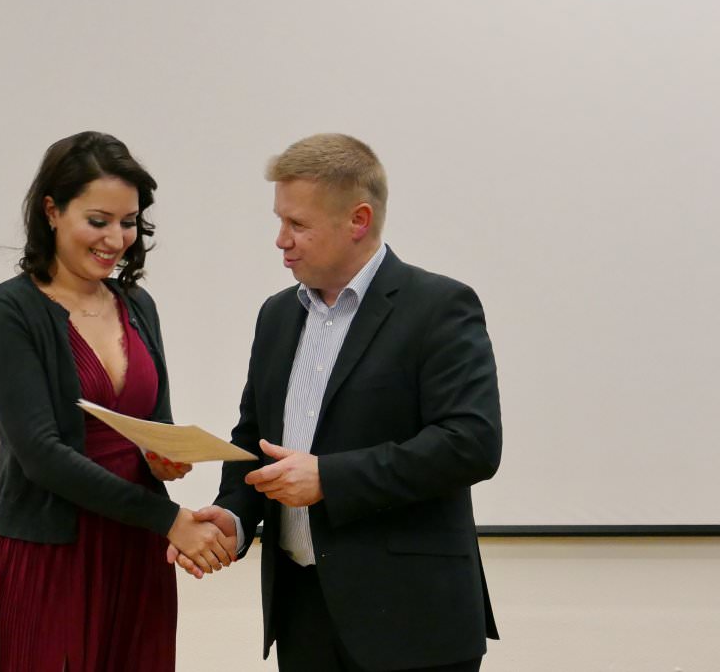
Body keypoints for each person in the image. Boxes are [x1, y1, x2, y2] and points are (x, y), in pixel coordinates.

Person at [170, 133, 502, 672]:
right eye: (279, 221)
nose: (281, 240)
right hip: (304, 615)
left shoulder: (438, 307)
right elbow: (255, 439)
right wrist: (234, 516)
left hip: (412, 621)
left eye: (298, 224)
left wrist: (330, 477)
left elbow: (471, 444)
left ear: (358, 220)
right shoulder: (277, 315)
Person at [0, 131, 234, 672]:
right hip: (51, 557)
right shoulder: (9, 312)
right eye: (98, 221)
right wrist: (170, 519)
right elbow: (41, 456)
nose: (116, 239)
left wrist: (164, 457)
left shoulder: (138, 305)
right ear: (52, 211)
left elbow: (156, 422)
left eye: (129, 222)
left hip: (137, 552)